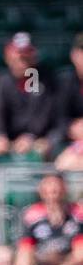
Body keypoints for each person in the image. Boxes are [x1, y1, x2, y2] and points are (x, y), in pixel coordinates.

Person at [0, 32, 58, 163]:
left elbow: (45, 115)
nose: (22, 62)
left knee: (44, 148)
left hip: (39, 137)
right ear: (7, 57)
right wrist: (1, 136)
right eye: (18, 57)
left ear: (33, 57)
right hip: (10, 138)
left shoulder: (46, 80)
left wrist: (30, 137)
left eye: (26, 57)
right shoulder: (1, 81)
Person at [53, 33, 83, 171]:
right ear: (74, 55)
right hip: (71, 142)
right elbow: (58, 119)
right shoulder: (65, 81)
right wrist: (71, 128)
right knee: (64, 163)